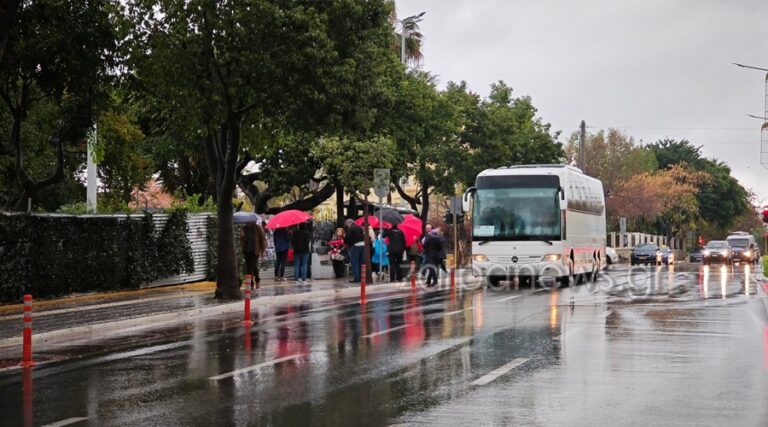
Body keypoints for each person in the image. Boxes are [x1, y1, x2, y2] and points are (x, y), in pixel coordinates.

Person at [241, 222, 267, 289]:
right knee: (248, 268)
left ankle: (257, 280)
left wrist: (263, 251)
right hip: (246, 251)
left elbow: (263, 240)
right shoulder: (244, 229)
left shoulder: (257, 228)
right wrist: (241, 236)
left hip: (255, 251)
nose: (248, 222)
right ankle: (251, 284)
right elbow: (242, 241)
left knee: (254, 266)